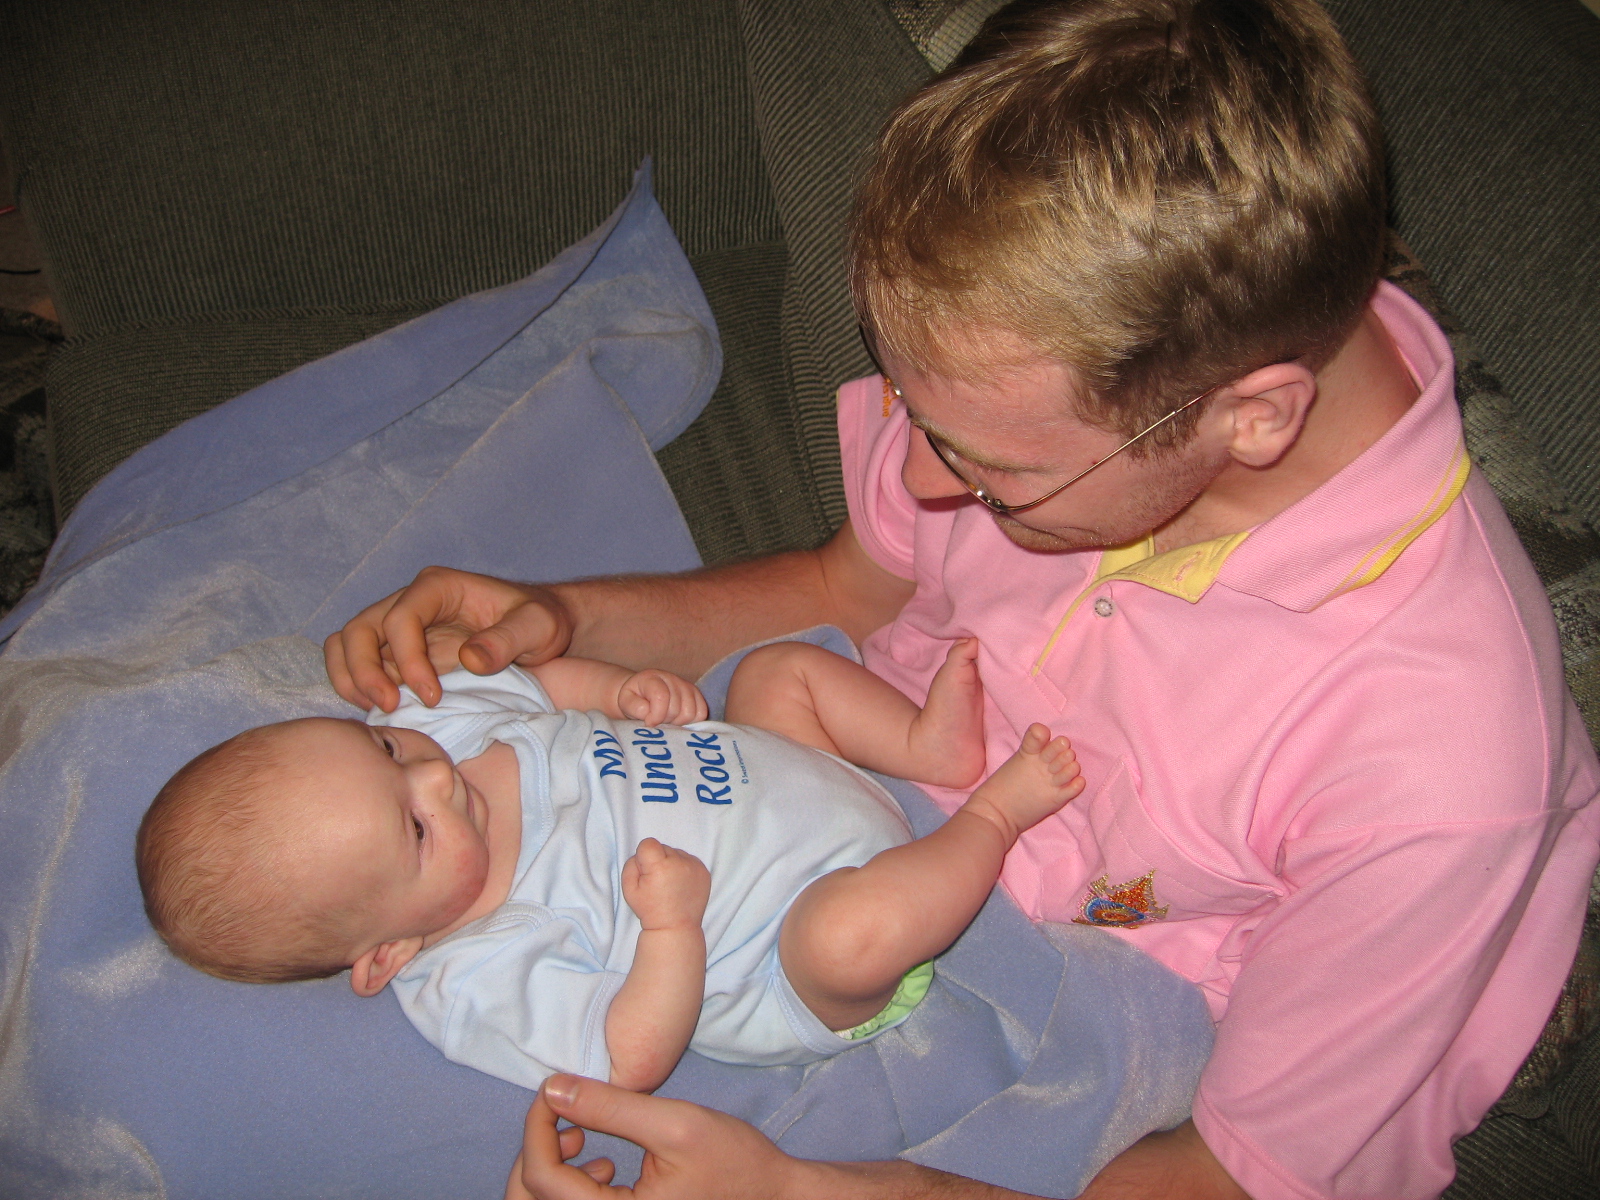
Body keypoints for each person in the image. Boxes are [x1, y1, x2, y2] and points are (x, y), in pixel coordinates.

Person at [324, 0, 1600, 1196]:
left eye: (992, 470)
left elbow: (1217, 1177)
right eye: (914, 413)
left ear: (1252, 416)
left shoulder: (1432, 773)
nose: (924, 483)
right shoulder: (1028, 354)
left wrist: (791, 1189)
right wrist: (559, 619)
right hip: (833, 811)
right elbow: (842, 587)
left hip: (1083, 993)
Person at [137, 641, 1083, 1093]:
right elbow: (625, 1060)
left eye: (382, 751)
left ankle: (925, 749)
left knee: (771, 672)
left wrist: (621, 688)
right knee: (849, 937)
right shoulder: (476, 975)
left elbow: (538, 684)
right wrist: (671, 930)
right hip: (791, 938)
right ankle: (992, 816)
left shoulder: (437, 728)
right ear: (388, 952)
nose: (434, 775)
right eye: (417, 829)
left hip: (792, 764)